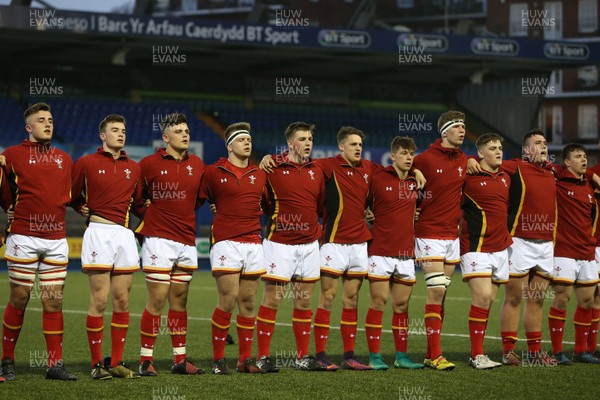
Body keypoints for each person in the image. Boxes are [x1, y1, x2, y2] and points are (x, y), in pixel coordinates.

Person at [468, 129, 559, 366]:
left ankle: (534, 353)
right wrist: (469, 159)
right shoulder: (514, 166)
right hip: (519, 241)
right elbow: (485, 163)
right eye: (537, 143)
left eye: (545, 143)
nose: (543, 146)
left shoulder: (552, 172)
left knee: (537, 298)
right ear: (526, 150)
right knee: (515, 297)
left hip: (546, 244)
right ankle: (509, 350)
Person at [0, 102, 77, 381]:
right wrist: (9, 209)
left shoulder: (65, 159)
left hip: (56, 239)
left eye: (51, 120)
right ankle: (6, 361)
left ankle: (54, 365)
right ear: (28, 127)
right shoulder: (11, 156)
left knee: (53, 302)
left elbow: (73, 195)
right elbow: (4, 192)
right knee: (19, 298)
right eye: (41, 120)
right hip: (24, 236)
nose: (48, 124)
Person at [71, 114, 143, 379]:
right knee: (99, 300)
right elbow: (71, 195)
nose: (120, 134)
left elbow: (138, 204)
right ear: (103, 136)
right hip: (99, 233)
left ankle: (117, 362)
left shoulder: (134, 168)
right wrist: (80, 207)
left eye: (123, 130)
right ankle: (96, 364)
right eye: (115, 130)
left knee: (122, 300)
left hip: (124, 235)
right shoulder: (86, 163)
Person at [136, 113, 206, 376]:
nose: (185, 134)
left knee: (180, 300)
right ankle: (145, 360)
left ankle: (180, 360)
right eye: (179, 131)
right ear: (166, 137)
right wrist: (150, 213)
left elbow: (199, 199)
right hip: (158, 239)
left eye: (187, 130)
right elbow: (135, 197)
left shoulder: (198, 164)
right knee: (156, 299)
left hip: (186, 239)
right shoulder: (148, 164)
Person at [255, 122, 327, 372]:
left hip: (309, 244)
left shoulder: (317, 169)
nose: (307, 143)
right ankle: (262, 357)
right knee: (272, 300)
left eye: (310, 138)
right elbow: (262, 203)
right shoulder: (271, 167)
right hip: (280, 244)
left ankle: (302, 357)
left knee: (303, 302)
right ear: (289, 143)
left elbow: (320, 205)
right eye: (302, 139)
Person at [201, 122, 267, 375]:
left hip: (253, 242)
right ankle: (218, 360)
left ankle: (244, 360)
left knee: (248, 302)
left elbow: (271, 205)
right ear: (230, 145)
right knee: (227, 301)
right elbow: (195, 197)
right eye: (242, 140)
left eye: (249, 139)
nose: (247, 143)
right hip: (226, 241)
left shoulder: (260, 174)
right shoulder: (213, 171)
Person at [412, 110, 468, 370]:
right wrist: (412, 174)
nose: (462, 130)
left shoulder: (464, 159)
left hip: (451, 236)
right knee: (435, 291)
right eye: (457, 127)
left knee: (442, 294)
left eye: (464, 127)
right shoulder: (423, 159)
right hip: (428, 234)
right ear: (445, 131)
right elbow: (398, 174)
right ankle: (436, 356)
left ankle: (429, 354)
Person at [364, 136, 424, 370]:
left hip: (406, 253)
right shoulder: (378, 178)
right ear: (393, 156)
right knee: (378, 303)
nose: (409, 158)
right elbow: (360, 204)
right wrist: (367, 216)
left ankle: (401, 356)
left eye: (412, 154)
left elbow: (420, 209)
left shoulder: (415, 182)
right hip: (380, 251)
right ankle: (375, 356)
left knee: (401, 306)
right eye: (405, 153)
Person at [460, 133, 511, 369]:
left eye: (500, 147)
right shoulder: (466, 176)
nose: (498, 151)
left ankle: (478, 352)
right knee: (481, 297)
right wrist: (466, 159)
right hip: (475, 246)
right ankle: (476, 355)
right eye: (492, 148)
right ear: (480, 153)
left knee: (489, 300)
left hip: (501, 248)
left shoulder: (505, 177)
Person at [547, 144, 599, 364]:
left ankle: (581, 351)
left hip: (587, 250)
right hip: (564, 250)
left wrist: (589, 175)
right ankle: (557, 351)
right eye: (578, 156)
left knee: (587, 302)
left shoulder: (590, 185)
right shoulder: (557, 180)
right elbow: (547, 166)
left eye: (585, 156)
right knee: (562, 298)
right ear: (567, 162)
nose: (583, 159)